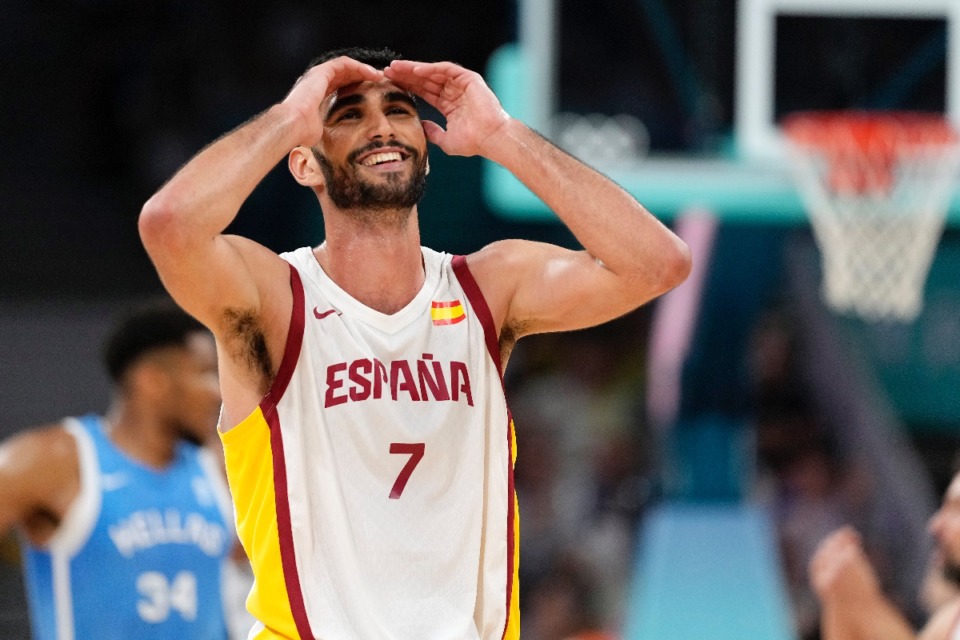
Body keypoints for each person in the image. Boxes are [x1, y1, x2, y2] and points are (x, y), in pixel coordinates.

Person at [138, 46, 691, 639]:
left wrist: (503, 136)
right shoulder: (273, 297)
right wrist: (289, 117)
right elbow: (170, 225)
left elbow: (657, 263)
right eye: (348, 115)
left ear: (425, 146)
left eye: (399, 111)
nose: (382, 127)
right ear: (304, 164)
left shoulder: (487, 288)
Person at [0, 299, 241, 639]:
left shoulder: (219, 469)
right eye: (204, 373)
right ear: (152, 380)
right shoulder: (57, 461)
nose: (218, 392)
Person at [809, 470, 960, 640]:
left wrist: (864, 604)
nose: (936, 524)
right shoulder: (949, 621)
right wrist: (839, 599)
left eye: (957, 510)